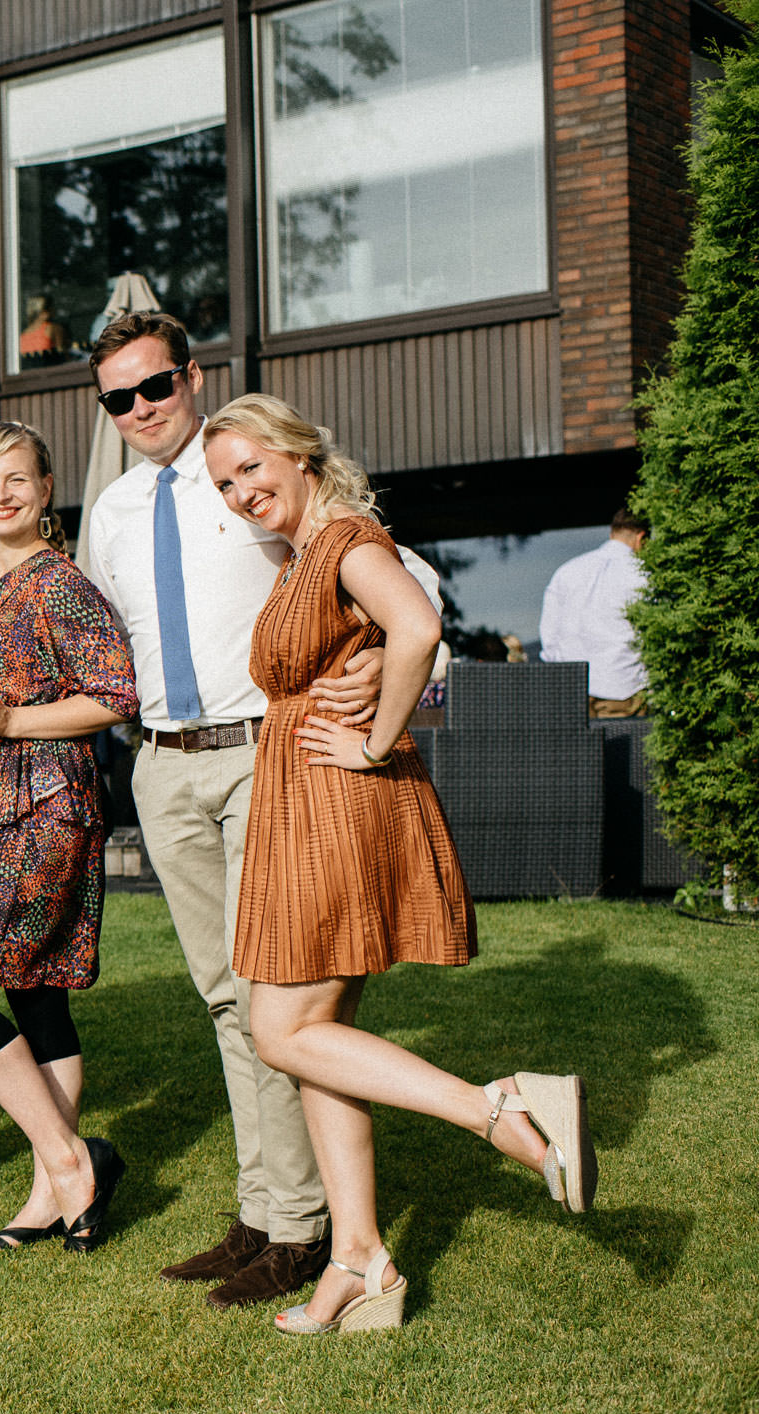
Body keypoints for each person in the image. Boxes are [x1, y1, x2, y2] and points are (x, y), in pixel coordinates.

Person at [77, 310, 448, 1313]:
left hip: (266, 761)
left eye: (157, 385)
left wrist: (376, 670)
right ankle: (265, 1208)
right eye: (121, 397)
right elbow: (113, 651)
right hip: (164, 769)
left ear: (192, 378)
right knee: (222, 999)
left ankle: (299, 1228)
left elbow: (400, 594)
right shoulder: (108, 513)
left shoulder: (252, 474)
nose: (143, 408)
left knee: (268, 994)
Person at [202, 394, 595, 1335]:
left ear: (299, 454)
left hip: (340, 798)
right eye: (224, 482)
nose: (240, 491)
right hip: (309, 799)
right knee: (318, 1037)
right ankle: (362, 1262)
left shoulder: (343, 538)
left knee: (281, 1029)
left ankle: (496, 1107)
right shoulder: (307, 552)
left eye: (252, 467)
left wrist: (378, 743)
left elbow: (420, 628)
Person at [0, 423, 137, 1252]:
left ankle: (72, 1159)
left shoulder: (58, 584)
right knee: (34, 990)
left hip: (42, 808)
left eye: (17, 478)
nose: (1, 493)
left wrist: (6, 720)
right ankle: (52, 1191)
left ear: (46, 490)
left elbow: (116, 696)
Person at [539, 508, 651, 717]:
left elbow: (549, 638)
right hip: (622, 690)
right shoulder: (642, 575)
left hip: (570, 693)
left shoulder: (567, 571)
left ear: (612, 533)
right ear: (641, 538)